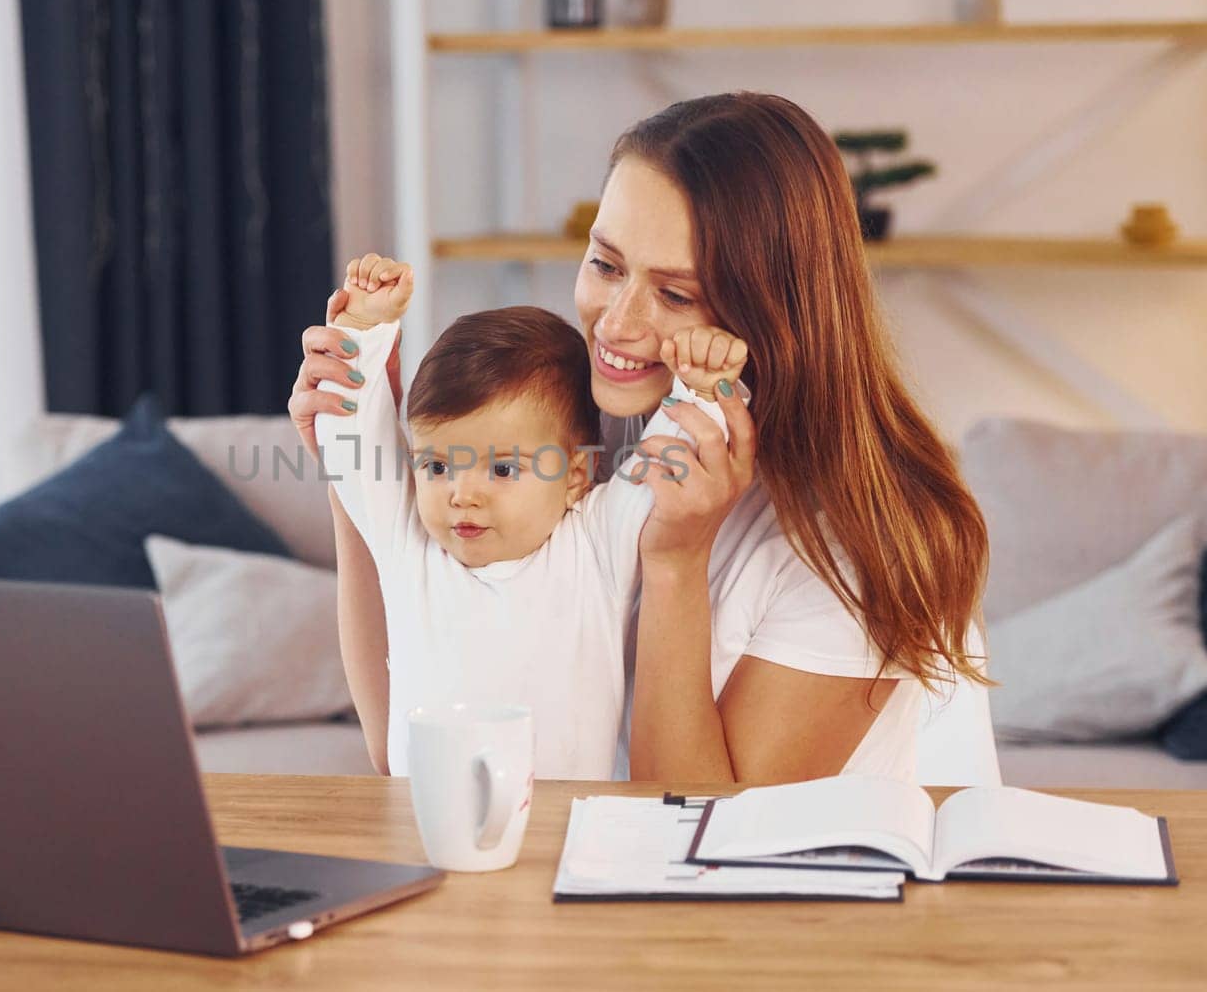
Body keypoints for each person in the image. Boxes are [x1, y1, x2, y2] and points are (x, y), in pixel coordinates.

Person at [291, 91, 997, 784]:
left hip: (771, 895)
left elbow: (693, 827)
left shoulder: (872, 543)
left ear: (773, 313)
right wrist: (360, 466)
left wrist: (675, 563)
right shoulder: (582, 431)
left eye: (676, 294)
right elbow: (400, 745)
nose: (616, 322)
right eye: (605, 264)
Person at [311, 254, 742, 779]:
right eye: (439, 464)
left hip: (566, 833)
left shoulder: (595, 545)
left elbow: (671, 457)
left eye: (502, 469)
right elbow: (347, 439)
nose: (462, 495)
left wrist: (700, 386)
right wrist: (363, 328)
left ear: (576, 476)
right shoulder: (410, 541)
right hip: (422, 826)